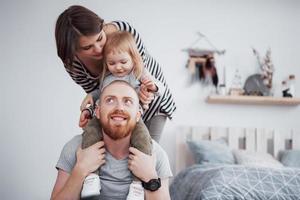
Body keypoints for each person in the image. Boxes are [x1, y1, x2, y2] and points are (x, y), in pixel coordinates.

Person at [55, 5, 176, 143]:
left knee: (149, 149)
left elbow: (140, 70)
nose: (99, 49)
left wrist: (149, 90)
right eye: (88, 47)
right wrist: (89, 105)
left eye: (100, 38)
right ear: (73, 51)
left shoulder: (125, 32)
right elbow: (100, 94)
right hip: (120, 109)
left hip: (152, 102)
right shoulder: (74, 65)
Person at [51, 80, 172, 200]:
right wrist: (81, 169)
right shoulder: (76, 148)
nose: (119, 107)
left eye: (128, 101)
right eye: (110, 100)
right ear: (97, 111)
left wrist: (150, 177)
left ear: (138, 115)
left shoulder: (155, 155)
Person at [80, 31, 162, 199]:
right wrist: (88, 110)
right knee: (90, 133)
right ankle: (91, 177)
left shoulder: (137, 76)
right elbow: (97, 95)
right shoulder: (106, 78)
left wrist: (152, 86)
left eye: (123, 62)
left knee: (143, 140)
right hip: (101, 117)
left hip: (131, 120)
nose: (118, 67)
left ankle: (137, 184)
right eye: (112, 63)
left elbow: (157, 87)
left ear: (133, 58)